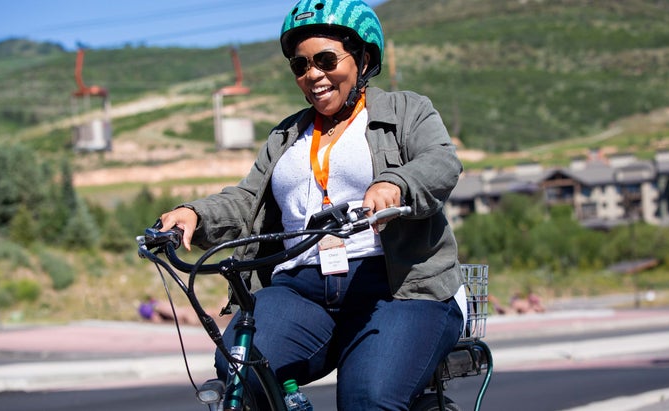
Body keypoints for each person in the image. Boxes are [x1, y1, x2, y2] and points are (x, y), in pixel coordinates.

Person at [158, 0, 465, 408]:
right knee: (241, 372)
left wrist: (395, 183)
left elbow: (441, 162)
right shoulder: (287, 135)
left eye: (325, 60)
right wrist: (194, 214)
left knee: (368, 399)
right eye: (300, 66)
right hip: (299, 289)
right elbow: (247, 200)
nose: (313, 75)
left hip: (396, 287)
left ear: (363, 58)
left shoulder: (407, 110)